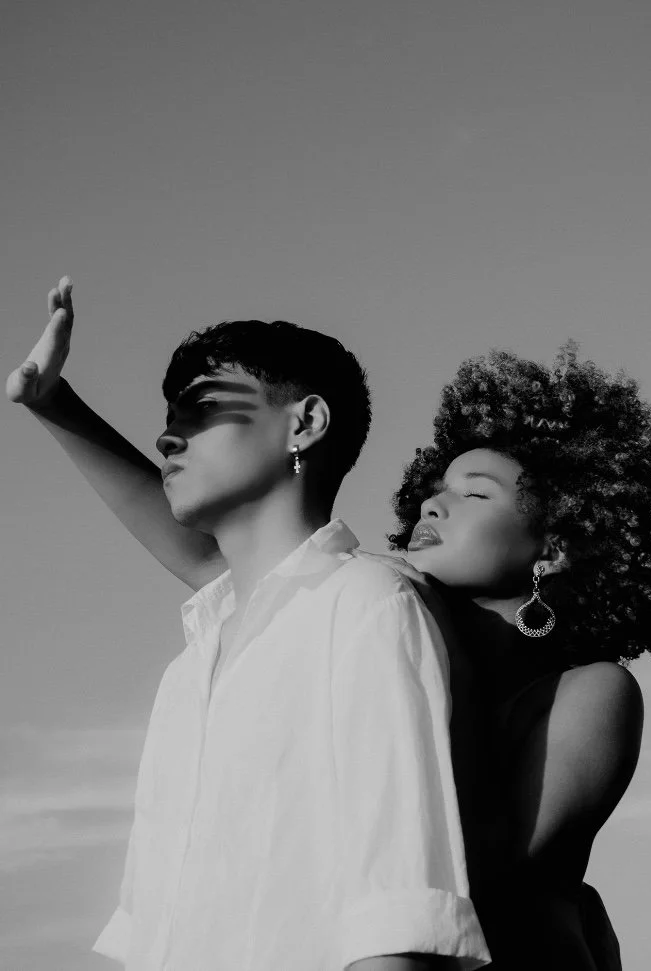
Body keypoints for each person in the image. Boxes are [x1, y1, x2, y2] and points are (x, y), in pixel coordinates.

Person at [6, 279, 491, 971]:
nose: (168, 433)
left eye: (203, 408)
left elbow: (398, 908)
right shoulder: (189, 667)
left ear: (304, 423)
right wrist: (48, 400)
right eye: (171, 413)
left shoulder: (364, 604)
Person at [386, 343, 651, 969]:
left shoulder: (595, 692)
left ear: (555, 548)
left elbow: (482, 875)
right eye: (434, 492)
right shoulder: (400, 652)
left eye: (475, 495)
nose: (433, 506)